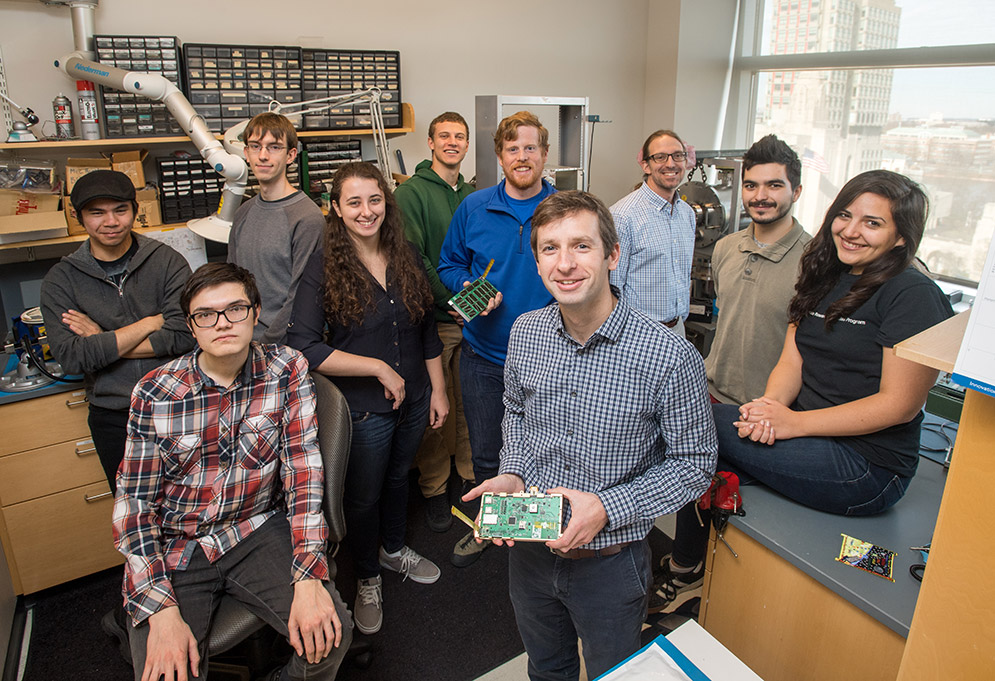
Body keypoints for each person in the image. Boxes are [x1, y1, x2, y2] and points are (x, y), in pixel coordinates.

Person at [659, 170, 954, 610]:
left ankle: (686, 566)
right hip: (808, 437)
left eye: (873, 223)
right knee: (705, 449)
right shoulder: (823, 275)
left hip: (867, 468)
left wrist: (792, 423)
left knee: (699, 422)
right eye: (845, 215)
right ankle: (693, 570)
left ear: (900, 237)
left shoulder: (912, 294)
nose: (851, 231)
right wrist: (768, 407)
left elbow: (900, 405)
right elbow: (792, 360)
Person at [464, 191, 716, 681]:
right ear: (536, 262)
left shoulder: (669, 356)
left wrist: (606, 507)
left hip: (611, 564)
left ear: (612, 254)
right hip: (532, 552)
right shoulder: (526, 332)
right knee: (547, 667)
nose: (565, 264)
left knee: (612, 672)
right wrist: (513, 471)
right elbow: (515, 413)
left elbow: (695, 464)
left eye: (581, 246)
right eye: (550, 249)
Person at [113, 262, 352, 681]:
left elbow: (303, 472)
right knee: (166, 673)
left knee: (332, 636)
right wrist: (161, 608)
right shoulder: (155, 392)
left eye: (235, 309)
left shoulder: (285, 369)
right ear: (192, 326)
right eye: (206, 314)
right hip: (177, 546)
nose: (222, 323)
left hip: (255, 529)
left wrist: (310, 572)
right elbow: (134, 508)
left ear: (256, 313)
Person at [288, 162, 448, 636]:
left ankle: (393, 550)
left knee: (400, 477)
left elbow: (425, 330)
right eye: (353, 202)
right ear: (335, 209)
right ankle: (368, 578)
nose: (366, 211)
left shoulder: (406, 254)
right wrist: (376, 367)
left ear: (386, 203)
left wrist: (438, 389)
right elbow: (303, 345)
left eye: (374, 200)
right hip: (364, 408)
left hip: (417, 394)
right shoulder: (324, 266)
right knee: (363, 498)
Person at [438, 110, 557, 567]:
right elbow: (449, 263)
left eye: (530, 148)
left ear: (544, 155)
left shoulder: (565, 210)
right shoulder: (474, 206)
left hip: (551, 358)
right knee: (487, 451)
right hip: (484, 356)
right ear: (499, 156)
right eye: (513, 148)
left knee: (549, 449)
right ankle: (498, 529)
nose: (522, 156)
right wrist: (467, 286)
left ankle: (540, 535)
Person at [41, 169, 194, 492]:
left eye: (120, 210)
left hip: (178, 405)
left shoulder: (167, 262)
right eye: (97, 213)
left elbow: (182, 335)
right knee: (136, 516)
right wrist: (149, 323)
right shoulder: (61, 280)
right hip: (114, 417)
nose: (110, 222)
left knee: (196, 503)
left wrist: (101, 338)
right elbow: (73, 357)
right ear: (77, 216)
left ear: (135, 211)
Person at [394, 111, 475, 533]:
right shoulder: (411, 194)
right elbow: (415, 258)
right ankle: (434, 487)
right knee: (434, 410)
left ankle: (468, 475)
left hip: (474, 321)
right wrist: (454, 302)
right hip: (436, 319)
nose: (452, 142)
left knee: (469, 404)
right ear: (430, 142)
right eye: (444, 136)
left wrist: (475, 304)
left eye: (459, 137)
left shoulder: (474, 194)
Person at [706, 134, 811, 404]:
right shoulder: (725, 248)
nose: (760, 196)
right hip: (712, 395)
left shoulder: (814, 261)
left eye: (774, 185)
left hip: (772, 407)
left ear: (796, 191)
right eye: (751, 186)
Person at [228, 111, 324, 344]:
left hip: (283, 343)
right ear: (245, 153)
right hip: (242, 337)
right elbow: (231, 281)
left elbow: (301, 298)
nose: (262, 156)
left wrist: (265, 345)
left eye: (274, 147)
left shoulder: (307, 218)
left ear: (291, 155)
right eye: (255, 146)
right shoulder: (243, 213)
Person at [610, 129, 696, 337]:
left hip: (677, 329)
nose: (671, 164)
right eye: (660, 157)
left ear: (686, 161)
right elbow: (611, 289)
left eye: (678, 156)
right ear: (645, 165)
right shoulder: (622, 216)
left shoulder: (687, 214)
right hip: (637, 333)